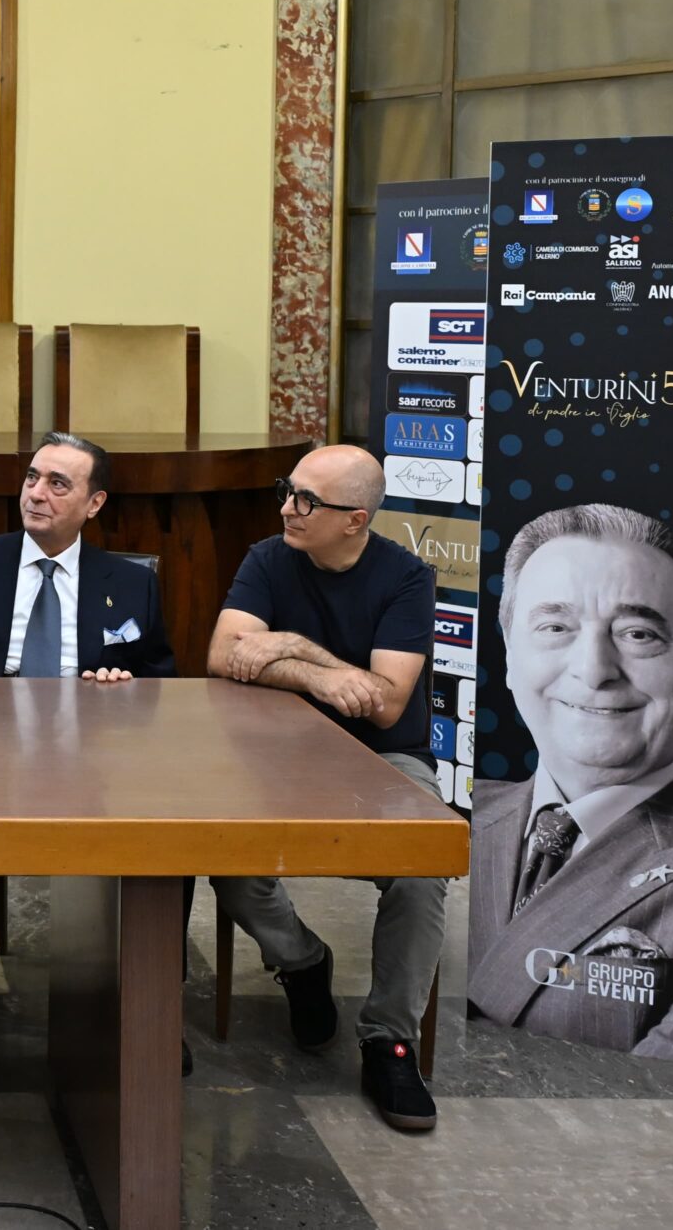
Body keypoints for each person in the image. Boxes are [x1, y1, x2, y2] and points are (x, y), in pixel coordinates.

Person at [0, 432, 174, 1068]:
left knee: (169, 837)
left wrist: (125, 685)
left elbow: (162, 682)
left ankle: (148, 1001)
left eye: (58, 484)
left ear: (94, 504)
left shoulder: (130, 583)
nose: (37, 494)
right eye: (32, 478)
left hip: (92, 762)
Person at [206, 445, 444, 1132]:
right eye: (288, 490)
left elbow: (385, 704)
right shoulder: (267, 557)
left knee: (421, 869)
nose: (288, 507)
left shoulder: (407, 578)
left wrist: (294, 645)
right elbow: (223, 656)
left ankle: (389, 1041)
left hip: (383, 758)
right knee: (228, 857)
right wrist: (320, 676)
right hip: (275, 755)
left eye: (307, 500)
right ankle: (302, 961)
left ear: (355, 519)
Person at [467, 503, 673, 1066]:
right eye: (555, 628)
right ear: (508, 654)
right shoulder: (449, 813)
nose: (593, 669)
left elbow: (654, 1097)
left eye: (638, 634)